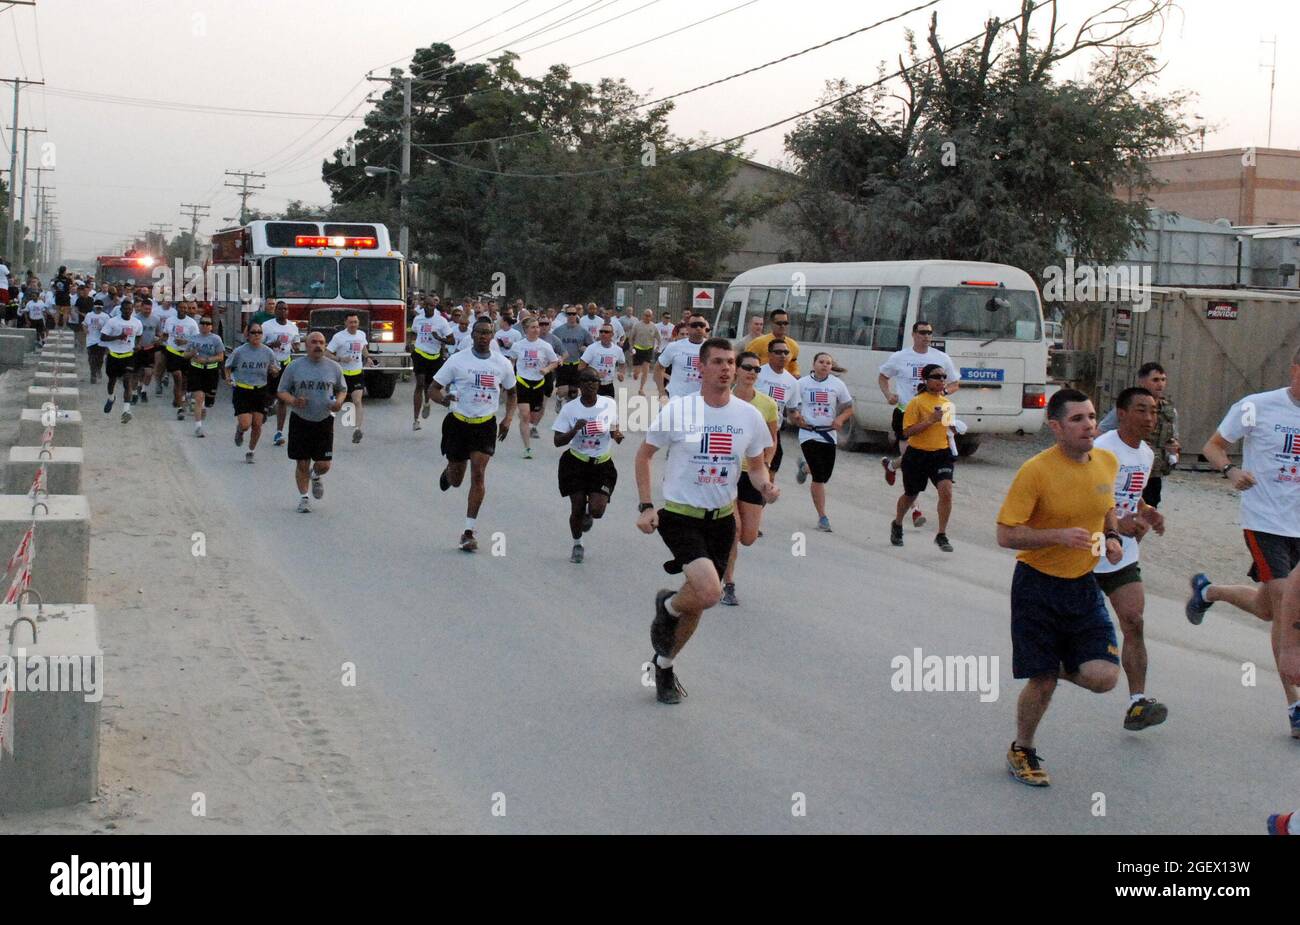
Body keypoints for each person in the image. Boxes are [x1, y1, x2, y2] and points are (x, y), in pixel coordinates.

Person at [996, 388, 1128, 787]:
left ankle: (1047, 663)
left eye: (1090, 417)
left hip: (1084, 587)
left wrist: (1114, 536)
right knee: (1043, 681)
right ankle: (1022, 748)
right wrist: (1056, 536)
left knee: (1104, 677)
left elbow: (1107, 508)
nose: (1089, 425)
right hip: (1037, 586)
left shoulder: (1107, 461)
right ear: (1055, 427)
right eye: (1077, 419)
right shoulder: (1035, 471)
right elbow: (1005, 535)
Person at [636, 337, 778, 704]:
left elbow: (757, 465)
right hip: (681, 516)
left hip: (721, 519)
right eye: (718, 361)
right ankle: (668, 606)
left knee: (699, 600)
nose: (727, 368)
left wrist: (765, 487)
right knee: (710, 592)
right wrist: (646, 506)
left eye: (731, 362)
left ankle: (664, 664)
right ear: (701, 367)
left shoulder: (748, 416)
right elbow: (644, 455)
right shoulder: (678, 410)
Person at [1186, 349, 1300, 737]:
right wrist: (1231, 470)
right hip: (1264, 520)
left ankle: (1209, 591)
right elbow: (1213, 446)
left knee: (1268, 609)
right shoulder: (1257, 406)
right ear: (1295, 370)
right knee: (1286, 601)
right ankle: (1295, 704)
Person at [1094, 386, 1169, 731]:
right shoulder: (1101, 448)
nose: (1150, 418)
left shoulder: (1147, 454)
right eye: (1142, 410)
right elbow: (1085, 498)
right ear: (1121, 413)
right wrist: (1115, 524)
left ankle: (1137, 703)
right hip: (1088, 550)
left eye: (1153, 412)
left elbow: (1132, 497)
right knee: (1069, 630)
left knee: (1134, 621)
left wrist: (1148, 513)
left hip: (1122, 555)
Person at [428, 318, 518, 552]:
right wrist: (443, 399)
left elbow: (512, 393)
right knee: (457, 480)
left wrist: (508, 418)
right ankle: (450, 472)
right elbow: (433, 389)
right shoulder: (457, 361)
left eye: (487, 333)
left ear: (493, 336)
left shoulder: (502, 363)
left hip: (485, 425)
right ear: (472, 335)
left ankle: (468, 532)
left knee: (478, 473)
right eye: (479, 332)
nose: (483, 336)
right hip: (458, 423)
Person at [878, 321, 960, 531]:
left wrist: (943, 392)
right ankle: (915, 510)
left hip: (932, 412)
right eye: (922, 332)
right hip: (906, 411)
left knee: (909, 458)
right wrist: (889, 395)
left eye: (929, 333)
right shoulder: (900, 357)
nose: (926, 336)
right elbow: (883, 376)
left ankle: (891, 465)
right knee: (910, 457)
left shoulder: (941, 358)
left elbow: (955, 382)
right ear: (913, 334)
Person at [720, 351, 779, 607]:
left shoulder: (767, 404)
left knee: (749, 537)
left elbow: (772, 440)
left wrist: (765, 467)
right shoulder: (723, 400)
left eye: (756, 369)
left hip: (753, 473)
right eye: (747, 367)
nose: (752, 373)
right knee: (734, 530)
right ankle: (728, 584)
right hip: (726, 472)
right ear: (736, 370)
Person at [554, 369, 623, 563]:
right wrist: (575, 430)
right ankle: (577, 544)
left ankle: (589, 511)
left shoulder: (608, 403)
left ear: (599, 384)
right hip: (575, 463)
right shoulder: (570, 409)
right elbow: (557, 441)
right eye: (586, 381)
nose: (591, 384)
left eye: (594, 380)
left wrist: (616, 434)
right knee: (576, 507)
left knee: (597, 511)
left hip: (601, 464)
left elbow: (613, 427)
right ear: (579, 384)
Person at [275, 332, 347, 512]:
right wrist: (293, 401)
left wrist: (338, 402)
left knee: (324, 465)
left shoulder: (334, 368)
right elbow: (281, 391)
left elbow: (342, 389)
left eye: (322, 343)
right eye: (314, 342)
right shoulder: (294, 367)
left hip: (324, 420)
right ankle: (304, 498)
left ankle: (315, 475)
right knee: (302, 462)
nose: (318, 346)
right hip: (301, 419)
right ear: (306, 345)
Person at [889, 363, 957, 551]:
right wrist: (930, 420)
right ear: (926, 380)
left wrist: (954, 428)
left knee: (946, 491)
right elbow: (907, 431)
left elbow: (948, 430)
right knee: (911, 495)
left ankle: (941, 534)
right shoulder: (916, 403)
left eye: (944, 377)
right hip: (917, 454)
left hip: (941, 454)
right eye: (936, 377)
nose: (941, 380)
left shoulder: (947, 404)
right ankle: (897, 523)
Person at [1099, 362, 1180, 508]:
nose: (1160, 384)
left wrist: (1173, 450)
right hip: (1127, 467)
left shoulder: (1169, 410)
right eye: (1155, 380)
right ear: (1142, 381)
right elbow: (1100, 432)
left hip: (1152, 470)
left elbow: (1173, 437)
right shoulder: (1128, 407)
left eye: (1163, 380)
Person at [790, 351, 854, 532]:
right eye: (821, 362)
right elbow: (791, 407)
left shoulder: (837, 384)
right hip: (808, 433)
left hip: (828, 434)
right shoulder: (801, 384)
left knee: (824, 475)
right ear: (813, 364)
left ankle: (804, 468)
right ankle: (822, 517)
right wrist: (796, 417)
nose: (825, 365)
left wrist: (840, 419)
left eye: (828, 363)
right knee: (819, 476)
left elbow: (849, 408)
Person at [225, 322, 280, 464]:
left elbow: (275, 369)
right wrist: (229, 378)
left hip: (260, 390)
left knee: (257, 423)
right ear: (247, 335)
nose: (256, 335)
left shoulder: (268, 352)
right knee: (245, 424)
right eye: (253, 332)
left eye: (259, 332)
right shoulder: (240, 351)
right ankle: (240, 430)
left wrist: (274, 371)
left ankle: (251, 451)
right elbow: (228, 367)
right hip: (242, 390)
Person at [508, 317, 560, 458]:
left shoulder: (545, 346)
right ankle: (527, 448)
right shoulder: (518, 346)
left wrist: (547, 369)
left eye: (537, 327)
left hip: (539, 384)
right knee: (525, 415)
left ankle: (531, 424)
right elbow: (511, 361)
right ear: (526, 330)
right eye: (533, 327)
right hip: (523, 382)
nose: (536, 329)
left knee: (535, 415)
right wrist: (508, 377)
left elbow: (555, 362)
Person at [325, 312, 375, 444]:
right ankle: (326, 428)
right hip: (342, 374)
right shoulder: (339, 337)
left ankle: (357, 429)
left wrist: (368, 357)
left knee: (357, 401)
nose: (354, 325)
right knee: (336, 403)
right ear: (346, 323)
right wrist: (340, 358)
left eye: (356, 322)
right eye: (351, 322)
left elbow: (363, 348)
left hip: (357, 373)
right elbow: (327, 353)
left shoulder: (361, 334)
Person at [754, 336, 800, 477]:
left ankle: (765, 495)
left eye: (786, 353)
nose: (783, 356)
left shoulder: (792, 382)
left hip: (773, 430)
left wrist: (803, 422)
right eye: (778, 352)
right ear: (769, 355)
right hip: (753, 428)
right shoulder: (757, 373)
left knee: (772, 467)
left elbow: (792, 410)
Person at [410, 296, 454, 431]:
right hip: (419, 353)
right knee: (420, 383)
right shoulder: (418, 319)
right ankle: (416, 420)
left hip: (434, 356)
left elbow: (452, 340)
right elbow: (413, 333)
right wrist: (411, 345)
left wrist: (439, 338)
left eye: (433, 306)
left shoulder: (441, 321)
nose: (430, 308)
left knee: (429, 386)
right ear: (424, 306)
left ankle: (427, 403)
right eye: (428, 305)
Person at [261, 301, 300, 446]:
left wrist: (295, 346)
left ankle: (279, 432)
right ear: (276, 311)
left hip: (285, 365)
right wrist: (272, 344)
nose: (283, 311)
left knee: (283, 398)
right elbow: (258, 344)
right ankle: (266, 408)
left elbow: (296, 345)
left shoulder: (292, 327)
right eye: (280, 309)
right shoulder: (267, 326)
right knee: (269, 395)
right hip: (270, 365)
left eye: (286, 309)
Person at [99, 300, 143, 423]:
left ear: (133, 309)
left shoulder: (137, 322)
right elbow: (102, 337)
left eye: (130, 309)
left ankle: (126, 410)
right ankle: (111, 398)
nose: (128, 311)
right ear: (121, 309)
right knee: (111, 380)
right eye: (125, 309)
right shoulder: (112, 321)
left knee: (127, 381)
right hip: (113, 355)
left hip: (128, 356)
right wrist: (118, 337)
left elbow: (139, 335)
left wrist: (138, 344)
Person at [184, 317, 226, 438]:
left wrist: (207, 359)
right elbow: (185, 354)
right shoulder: (193, 338)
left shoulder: (216, 339)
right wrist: (191, 354)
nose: (205, 325)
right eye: (202, 323)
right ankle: (198, 427)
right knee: (199, 397)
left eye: (208, 323)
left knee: (208, 401)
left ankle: (204, 406)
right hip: (196, 370)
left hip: (211, 371)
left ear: (211, 326)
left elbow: (221, 356)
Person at [655, 313, 710, 399]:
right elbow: (658, 368)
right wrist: (662, 392)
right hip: (676, 399)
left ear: (705, 327)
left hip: (703, 401)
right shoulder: (674, 346)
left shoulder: (712, 347)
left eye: (701, 325)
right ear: (688, 327)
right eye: (694, 325)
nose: (698, 328)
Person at [164, 300, 201, 419]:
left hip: (186, 353)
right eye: (181, 308)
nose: (183, 310)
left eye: (186, 308)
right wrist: (159, 340)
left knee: (184, 381)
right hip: (172, 351)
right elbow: (165, 334)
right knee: (177, 376)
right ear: (177, 308)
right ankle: (179, 405)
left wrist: (185, 341)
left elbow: (197, 340)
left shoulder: (192, 323)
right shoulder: (170, 320)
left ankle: (180, 402)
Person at [552, 306, 593, 412]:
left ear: (577, 315)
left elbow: (592, 347)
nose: (571, 316)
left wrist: (586, 348)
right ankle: (559, 399)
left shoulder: (583, 331)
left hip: (577, 364)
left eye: (573, 314)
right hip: (563, 364)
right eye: (569, 314)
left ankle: (568, 413)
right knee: (563, 390)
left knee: (574, 392)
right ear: (566, 315)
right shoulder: (558, 330)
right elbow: (551, 346)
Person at [746, 308, 800, 376]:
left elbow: (793, 363)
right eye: (779, 323)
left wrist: (796, 373)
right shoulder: (758, 343)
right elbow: (746, 363)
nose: (783, 326)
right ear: (771, 324)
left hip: (782, 383)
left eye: (785, 323)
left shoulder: (793, 345)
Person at [578, 323, 626, 399]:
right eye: (601, 331)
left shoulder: (617, 350)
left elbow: (622, 363)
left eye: (606, 332)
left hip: (608, 385)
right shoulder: (592, 348)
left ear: (612, 334)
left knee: (608, 409)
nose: (603, 334)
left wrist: (621, 373)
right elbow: (580, 367)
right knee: (592, 409)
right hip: (593, 385)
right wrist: (595, 374)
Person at [132, 300, 162, 403]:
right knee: (136, 373)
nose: (147, 311)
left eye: (149, 309)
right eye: (145, 308)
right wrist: (136, 344)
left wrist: (158, 339)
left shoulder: (156, 319)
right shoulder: (135, 319)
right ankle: (134, 394)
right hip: (137, 349)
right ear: (141, 307)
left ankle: (144, 390)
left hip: (150, 349)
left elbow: (159, 333)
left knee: (149, 373)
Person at [628, 309, 662, 396]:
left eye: (649, 315)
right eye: (646, 315)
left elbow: (658, 338)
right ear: (643, 315)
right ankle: (635, 373)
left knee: (646, 370)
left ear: (652, 316)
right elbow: (631, 337)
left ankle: (641, 389)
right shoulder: (637, 325)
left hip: (648, 350)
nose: (647, 317)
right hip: (638, 349)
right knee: (636, 373)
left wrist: (658, 346)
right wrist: (631, 347)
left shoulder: (653, 326)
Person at [83, 297, 109, 384]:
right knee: (91, 358)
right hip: (90, 340)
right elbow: (84, 324)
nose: (98, 309)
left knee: (100, 359)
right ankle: (92, 374)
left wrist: (103, 330)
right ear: (94, 307)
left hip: (101, 341)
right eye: (97, 307)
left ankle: (98, 369)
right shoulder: (89, 315)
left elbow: (108, 328)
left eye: (100, 308)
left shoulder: (105, 316)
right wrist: (85, 330)